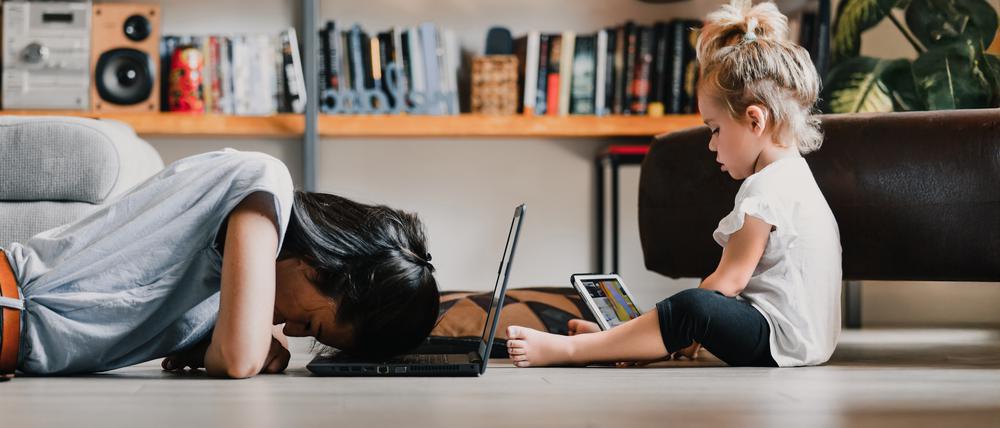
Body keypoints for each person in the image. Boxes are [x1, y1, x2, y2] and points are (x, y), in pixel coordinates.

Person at [506, 0, 842, 368]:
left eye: (715, 129)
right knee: (694, 307)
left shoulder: (764, 190)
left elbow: (729, 283)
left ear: (754, 120)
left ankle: (573, 350)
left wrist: (684, 319)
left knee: (693, 305)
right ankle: (624, 340)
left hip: (777, 340)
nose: (711, 144)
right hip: (806, 340)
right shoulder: (798, 178)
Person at [0, 148, 439, 379]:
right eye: (312, 325)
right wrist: (245, 341)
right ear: (321, 267)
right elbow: (235, 360)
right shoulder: (263, 187)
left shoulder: (226, 275)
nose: (291, 332)